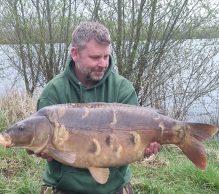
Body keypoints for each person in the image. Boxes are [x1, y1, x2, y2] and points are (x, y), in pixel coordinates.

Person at [31, 21, 160, 194]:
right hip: (64, 186)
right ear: (75, 54)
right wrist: (43, 149)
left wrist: (145, 148)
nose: (103, 64)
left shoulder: (123, 89)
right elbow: (39, 143)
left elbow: (135, 144)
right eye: (95, 57)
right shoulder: (53, 92)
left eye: (106, 56)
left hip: (113, 186)